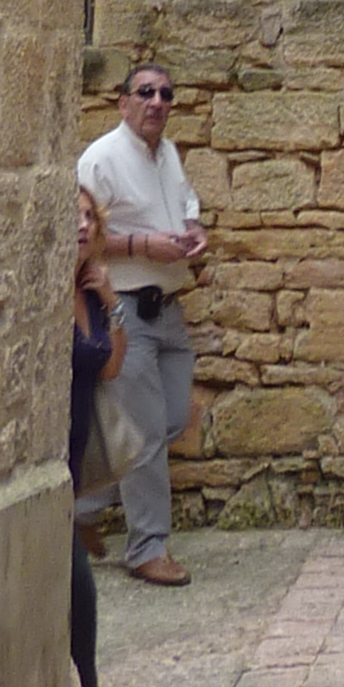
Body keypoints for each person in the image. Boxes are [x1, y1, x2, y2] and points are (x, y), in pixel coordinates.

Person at [75, 60, 206, 586]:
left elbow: (186, 207)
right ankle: (147, 549)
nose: (157, 102)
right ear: (123, 101)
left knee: (170, 421)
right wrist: (141, 245)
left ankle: (80, 508)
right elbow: (79, 231)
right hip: (125, 307)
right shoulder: (100, 159)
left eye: (166, 94)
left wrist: (194, 235)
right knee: (148, 433)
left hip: (169, 308)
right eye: (146, 92)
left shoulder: (168, 154)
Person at [68, 185, 128, 687]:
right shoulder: (45, 297)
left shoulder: (89, 294)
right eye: (73, 215)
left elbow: (111, 364)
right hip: (47, 472)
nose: (82, 225)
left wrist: (112, 303)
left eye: (89, 216)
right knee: (79, 597)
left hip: (71, 472)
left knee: (77, 602)